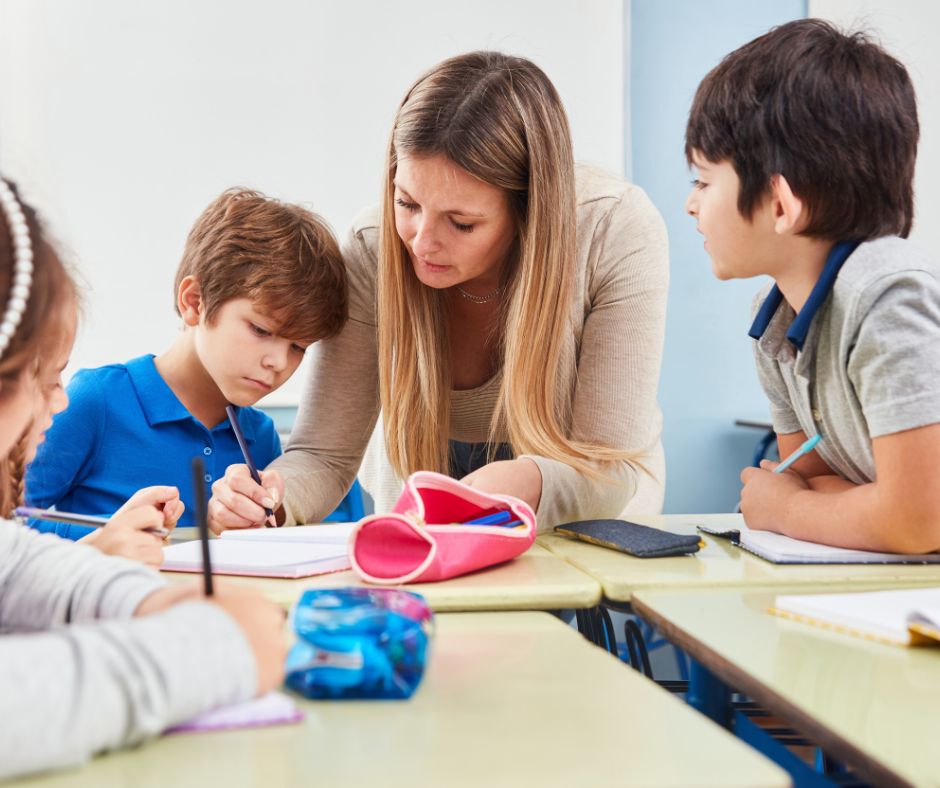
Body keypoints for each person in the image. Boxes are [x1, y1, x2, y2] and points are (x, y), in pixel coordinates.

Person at [208, 51, 669, 533]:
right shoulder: (374, 245)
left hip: (590, 505)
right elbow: (324, 455)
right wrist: (268, 500)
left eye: (462, 223)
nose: (422, 243)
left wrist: (525, 481)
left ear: (529, 212)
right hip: (420, 490)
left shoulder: (615, 229)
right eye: (406, 202)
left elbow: (608, 470)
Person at [0, 177, 286, 779]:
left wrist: (156, 600)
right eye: (45, 378)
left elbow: (13, 564)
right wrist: (214, 654)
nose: (57, 404)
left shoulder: (256, 434)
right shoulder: (99, 401)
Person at [685, 19, 940, 553]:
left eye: (704, 181)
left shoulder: (889, 297)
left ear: (781, 204)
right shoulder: (774, 321)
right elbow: (817, 478)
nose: (692, 204)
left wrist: (786, 509)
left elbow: (916, 519)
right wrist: (834, 503)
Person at [26, 187, 347, 535]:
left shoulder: (260, 438)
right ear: (194, 302)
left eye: (298, 347)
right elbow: (10, 524)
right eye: (260, 329)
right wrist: (107, 536)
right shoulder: (96, 401)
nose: (278, 362)